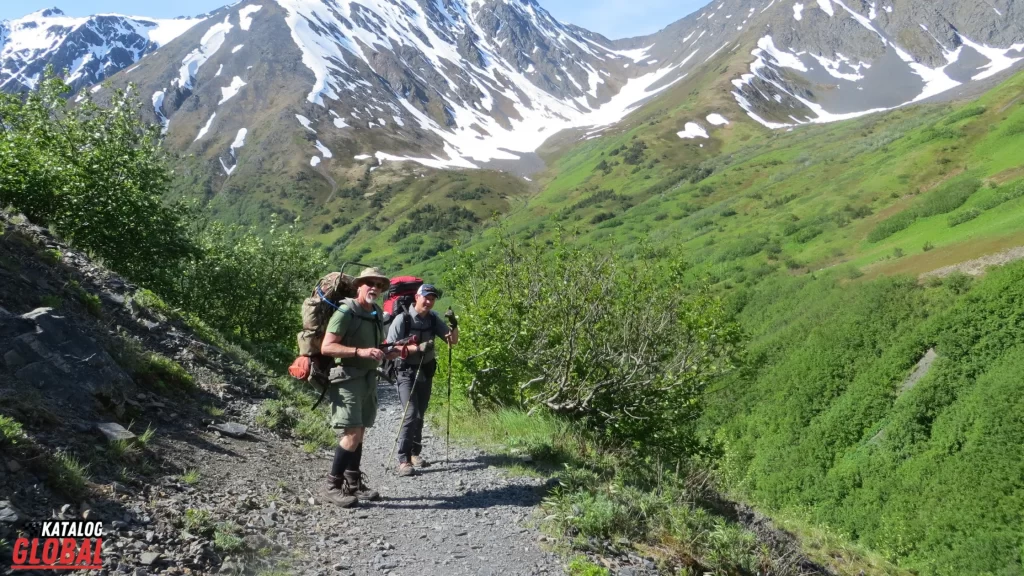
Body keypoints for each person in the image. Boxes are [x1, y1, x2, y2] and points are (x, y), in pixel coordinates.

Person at [319, 267, 399, 507]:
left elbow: (376, 346)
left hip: (367, 377)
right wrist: (359, 352)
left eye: (379, 285)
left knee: (360, 431)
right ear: (359, 286)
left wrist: (387, 352)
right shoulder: (345, 311)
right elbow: (327, 347)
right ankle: (332, 486)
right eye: (369, 283)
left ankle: (353, 483)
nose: (374, 288)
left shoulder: (375, 312)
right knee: (352, 433)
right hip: (347, 379)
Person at [386, 284, 458, 476]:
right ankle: (403, 460)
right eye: (426, 297)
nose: (429, 301)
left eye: (432, 298)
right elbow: (390, 351)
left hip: (426, 371)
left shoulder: (433, 319)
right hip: (405, 371)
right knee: (410, 413)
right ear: (417, 297)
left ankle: (415, 452)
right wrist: (417, 349)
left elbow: (452, 341)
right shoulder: (403, 320)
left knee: (421, 413)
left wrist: (454, 325)